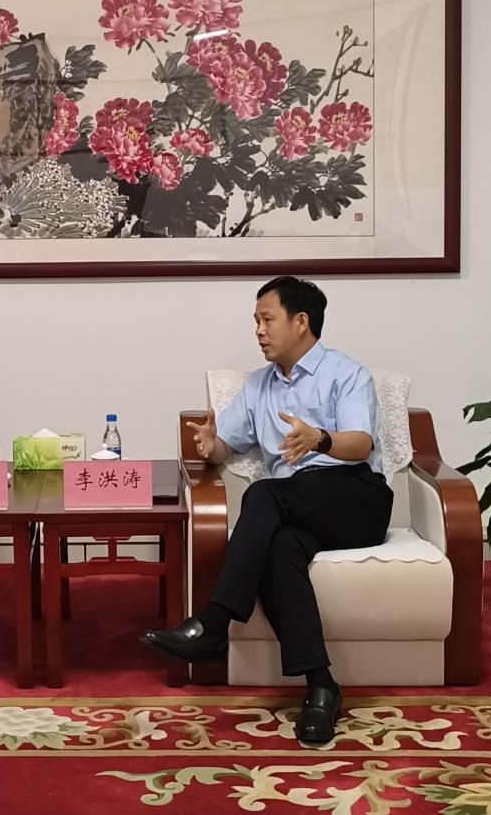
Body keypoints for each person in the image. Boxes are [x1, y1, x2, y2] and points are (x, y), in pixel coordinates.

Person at [140, 276, 391, 745]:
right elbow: (224, 447)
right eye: (255, 321)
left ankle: (214, 625)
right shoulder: (259, 386)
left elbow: (361, 446)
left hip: (355, 498)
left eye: (267, 319)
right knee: (279, 549)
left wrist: (319, 439)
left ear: (301, 322)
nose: (258, 330)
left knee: (264, 494)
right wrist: (211, 445)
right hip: (299, 505)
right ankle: (321, 687)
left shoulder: (346, 373)